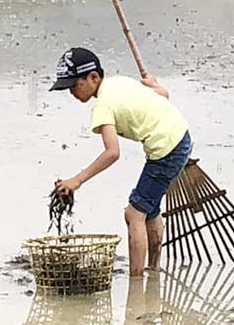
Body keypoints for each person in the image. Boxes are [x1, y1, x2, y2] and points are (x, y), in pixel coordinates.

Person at [50, 47, 193, 276]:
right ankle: (154, 271)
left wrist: (77, 180)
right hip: (181, 137)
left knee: (134, 213)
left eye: (75, 85)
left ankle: (136, 282)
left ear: (93, 77)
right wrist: (155, 85)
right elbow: (164, 95)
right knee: (150, 209)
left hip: (165, 150)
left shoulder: (103, 105)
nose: (72, 93)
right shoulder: (120, 82)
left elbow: (112, 153)